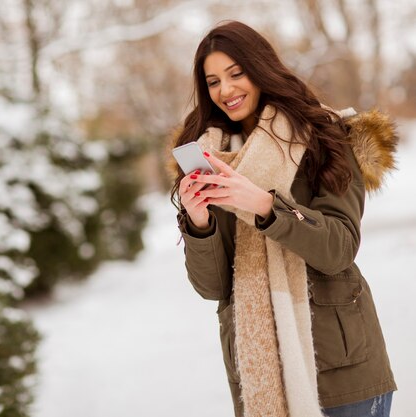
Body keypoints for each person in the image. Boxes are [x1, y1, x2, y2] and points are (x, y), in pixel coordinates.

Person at [170, 21, 397, 417]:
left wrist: (264, 205)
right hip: (259, 377)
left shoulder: (326, 137)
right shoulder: (209, 156)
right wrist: (199, 223)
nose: (225, 90)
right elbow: (214, 287)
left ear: (261, 68)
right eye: (212, 81)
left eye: (236, 73)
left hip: (341, 372)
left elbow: (338, 249)